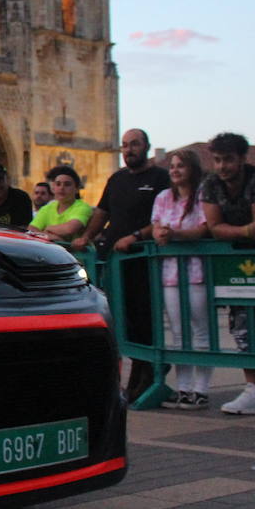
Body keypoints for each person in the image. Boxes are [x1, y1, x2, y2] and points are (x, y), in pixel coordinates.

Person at [72, 129, 172, 400]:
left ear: (147, 147)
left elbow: (164, 217)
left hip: (143, 261)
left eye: (134, 144)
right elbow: (102, 213)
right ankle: (137, 371)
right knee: (122, 320)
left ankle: (146, 372)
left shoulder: (161, 178)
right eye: (125, 145)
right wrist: (86, 237)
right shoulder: (116, 179)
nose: (129, 150)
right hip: (115, 262)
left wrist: (136, 236)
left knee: (143, 319)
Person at [199, 133, 255, 416]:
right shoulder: (210, 183)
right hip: (236, 267)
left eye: (229, 159)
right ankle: (254, 389)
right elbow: (213, 226)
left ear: (242, 158)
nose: (223, 166)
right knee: (242, 327)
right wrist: (245, 231)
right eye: (218, 160)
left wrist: (235, 230)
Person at [151, 149, 212, 408]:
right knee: (178, 331)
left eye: (181, 166)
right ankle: (184, 386)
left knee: (200, 329)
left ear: (192, 169)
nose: (175, 170)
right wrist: (161, 234)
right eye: (172, 166)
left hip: (196, 271)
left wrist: (175, 234)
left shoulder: (203, 196)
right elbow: (155, 226)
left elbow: (203, 228)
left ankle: (201, 388)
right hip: (170, 274)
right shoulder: (164, 197)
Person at [29, 165, 93, 241]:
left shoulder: (83, 207)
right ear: (53, 188)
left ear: (76, 189)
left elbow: (70, 229)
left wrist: (48, 228)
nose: (61, 188)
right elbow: (31, 229)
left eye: (67, 184)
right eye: (58, 184)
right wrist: (50, 236)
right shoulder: (47, 208)